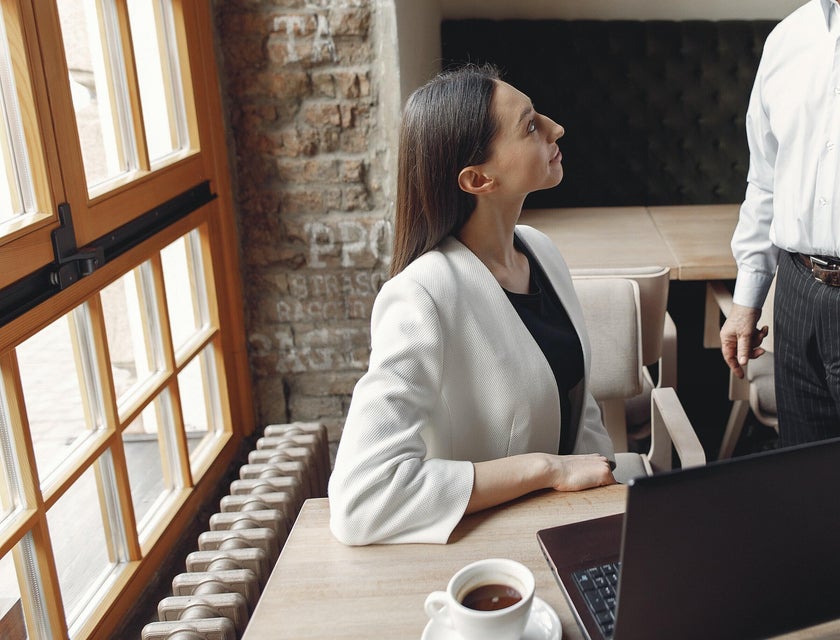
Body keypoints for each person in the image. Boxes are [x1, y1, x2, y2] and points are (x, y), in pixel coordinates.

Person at [327, 64, 617, 546]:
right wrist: (545, 470)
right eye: (529, 125)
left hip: (570, 527)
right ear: (478, 179)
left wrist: (605, 502)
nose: (556, 128)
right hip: (490, 552)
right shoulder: (421, 296)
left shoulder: (542, 252)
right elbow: (362, 499)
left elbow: (579, 409)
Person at [721, 0, 840, 447]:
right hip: (796, 292)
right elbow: (767, 179)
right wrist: (747, 301)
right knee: (805, 480)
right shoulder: (789, 38)